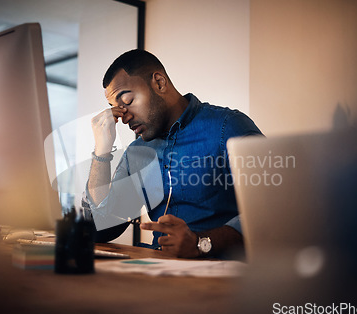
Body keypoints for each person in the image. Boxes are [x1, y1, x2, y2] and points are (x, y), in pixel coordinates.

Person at [85, 49, 262, 258]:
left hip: (217, 276)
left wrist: (200, 243)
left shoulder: (228, 127)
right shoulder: (137, 153)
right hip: (157, 272)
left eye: (128, 101)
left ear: (159, 83)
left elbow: (270, 208)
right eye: (116, 109)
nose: (123, 118)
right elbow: (103, 227)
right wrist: (102, 152)